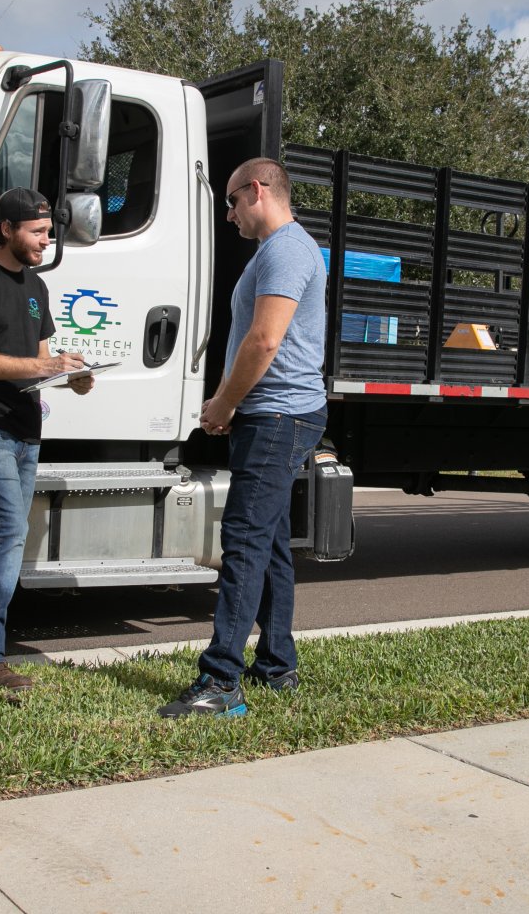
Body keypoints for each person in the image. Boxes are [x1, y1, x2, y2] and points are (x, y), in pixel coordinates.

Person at [160, 158, 327, 718]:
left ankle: (220, 682)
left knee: (246, 541)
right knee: (272, 541)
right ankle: (277, 666)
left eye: (231, 202)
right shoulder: (279, 250)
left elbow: (264, 340)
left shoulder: (286, 249)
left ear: (257, 190)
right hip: (275, 414)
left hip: (278, 417)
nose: (228, 215)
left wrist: (225, 402)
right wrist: (234, 403)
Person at [0, 187, 94, 692]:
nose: (46, 242)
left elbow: (41, 362)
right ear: (6, 229)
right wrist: (44, 364)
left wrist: (71, 375)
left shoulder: (37, 288)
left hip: (28, 429)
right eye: (37, 232)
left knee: (7, 535)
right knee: (7, 533)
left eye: (49, 233)